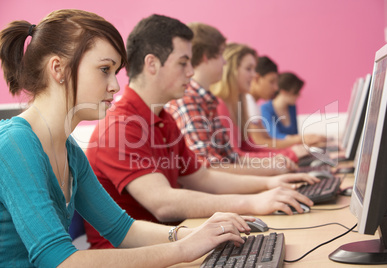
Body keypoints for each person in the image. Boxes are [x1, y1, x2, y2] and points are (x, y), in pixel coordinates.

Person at [0, 9, 258, 267]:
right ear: (58, 69)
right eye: (104, 69)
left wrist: (198, 236)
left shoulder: (69, 150)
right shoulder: (15, 145)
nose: (115, 85)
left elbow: (122, 229)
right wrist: (184, 249)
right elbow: (59, 260)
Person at [84, 14, 318, 249]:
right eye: (183, 62)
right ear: (152, 64)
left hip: (169, 244)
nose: (190, 72)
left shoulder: (164, 119)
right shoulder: (119, 126)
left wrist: (270, 185)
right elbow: (163, 203)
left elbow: (205, 178)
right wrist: (254, 202)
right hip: (135, 256)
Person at [165, 23, 297, 176]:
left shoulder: (209, 102)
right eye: (221, 54)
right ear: (206, 57)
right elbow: (210, 168)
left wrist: (278, 161)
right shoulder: (192, 101)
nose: (224, 62)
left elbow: (232, 156)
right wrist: (275, 168)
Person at [209, 43, 311, 163]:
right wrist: (289, 155)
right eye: (248, 69)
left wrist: (288, 154)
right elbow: (237, 156)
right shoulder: (220, 105)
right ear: (230, 70)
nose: (253, 75)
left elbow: (250, 146)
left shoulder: (239, 105)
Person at [247, 57, 327, 148]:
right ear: (256, 79)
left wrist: (302, 141)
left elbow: (267, 140)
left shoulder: (253, 105)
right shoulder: (254, 106)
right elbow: (262, 143)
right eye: (271, 81)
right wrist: (300, 140)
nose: (276, 88)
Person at [260, 72, 327, 146]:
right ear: (283, 92)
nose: (299, 95)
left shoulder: (292, 107)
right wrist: (304, 138)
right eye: (296, 92)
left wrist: (312, 139)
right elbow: (274, 136)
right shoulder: (265, 109)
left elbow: (295, 134)